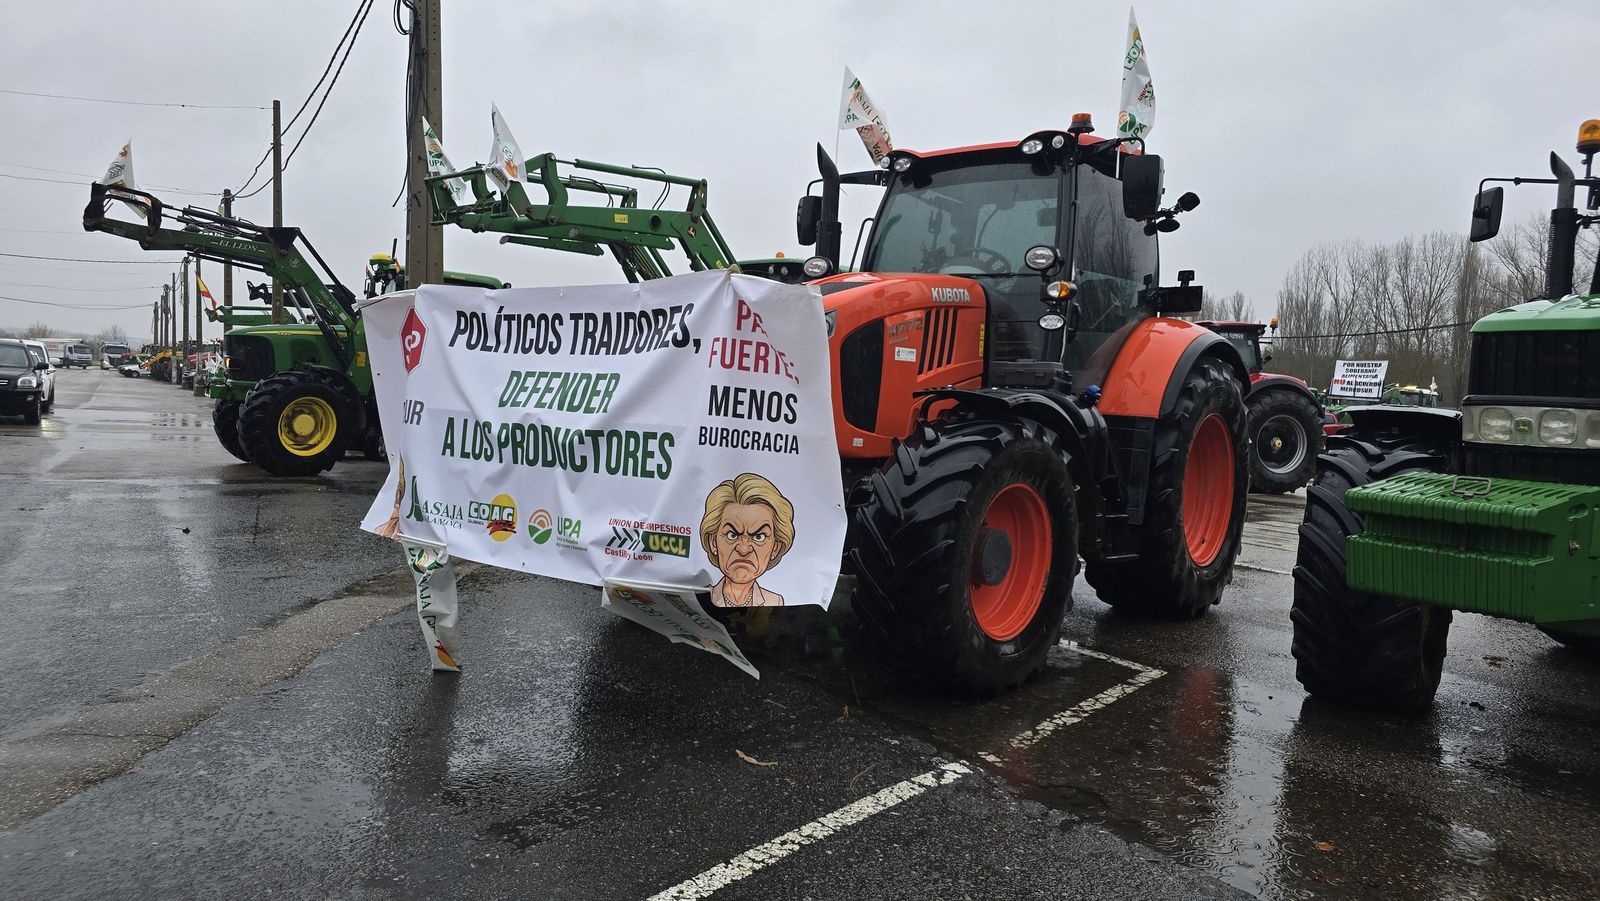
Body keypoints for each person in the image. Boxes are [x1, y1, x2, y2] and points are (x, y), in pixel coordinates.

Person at [699, 473, 795, 607]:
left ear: (775, 547)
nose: (743, 549)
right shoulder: (699, 597)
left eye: (758, 537)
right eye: (732, 535)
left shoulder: (775, 602)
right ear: (713, 542)